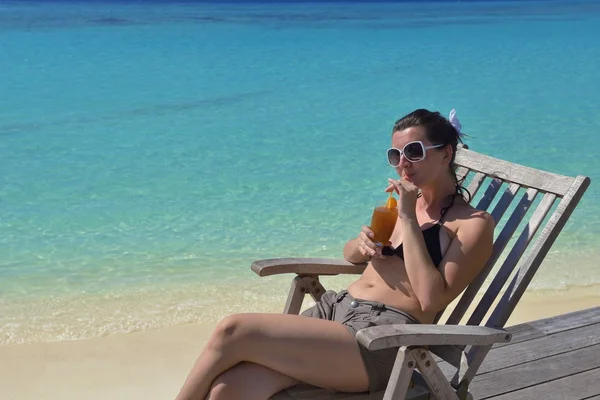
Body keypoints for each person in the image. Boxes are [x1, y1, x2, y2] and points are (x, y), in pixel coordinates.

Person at [175, 109, 495, 400]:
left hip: (384, 338)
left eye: (413, 152)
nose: (402, 163)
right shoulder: (398, 205)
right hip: (335, 311)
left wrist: (409, 217)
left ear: (446, 154)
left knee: (233, 330)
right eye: (395, 154)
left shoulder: (471, 225)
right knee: (229, 389)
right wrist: (360, 244)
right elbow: (353, 256)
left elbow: (430, 300)